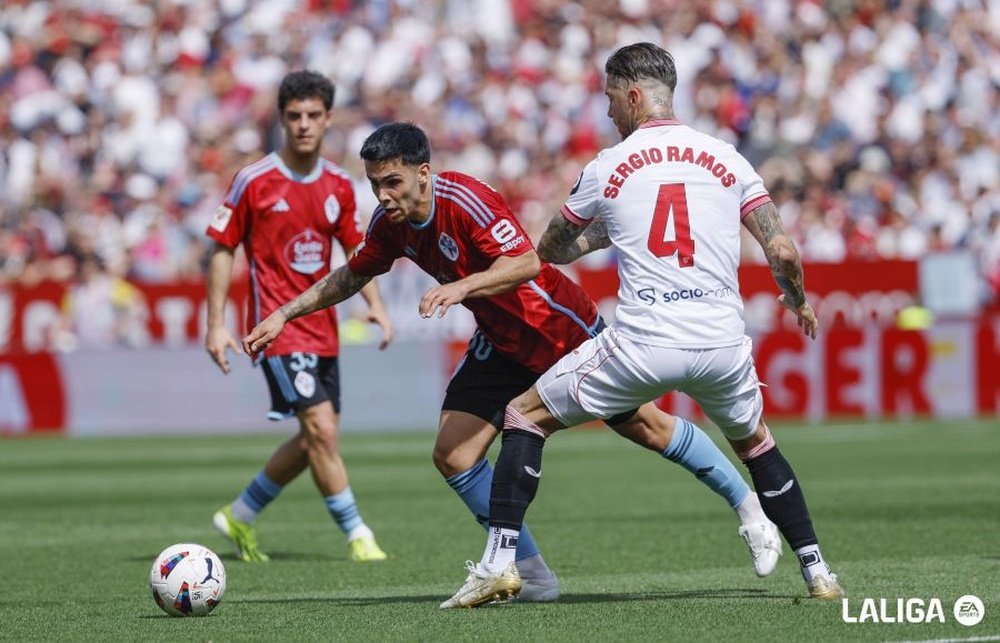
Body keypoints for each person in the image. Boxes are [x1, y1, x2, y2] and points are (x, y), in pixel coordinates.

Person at [243, 122, 783, 603]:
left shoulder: (467, 199)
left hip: (554, 327)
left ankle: (749, 508)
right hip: (500, 341)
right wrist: (284, 315)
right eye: (375, 184)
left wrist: (462, 288)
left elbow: (527, 261)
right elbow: (351, 275)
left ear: (423, 173)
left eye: (393, 182)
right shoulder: (391, 227)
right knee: (453, 454)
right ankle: (526, 572)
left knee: (645, 426)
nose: (383, 195)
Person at [443, 42, 844, 608]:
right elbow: (782, 250)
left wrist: (610, 230)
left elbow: (551, 249)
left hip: (647, 342)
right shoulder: (727, 157)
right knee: (757, 446)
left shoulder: (608, 167)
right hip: (722, 345)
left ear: (633, 95)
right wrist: (796, 299)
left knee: (523, 416)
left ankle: (500, 563)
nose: (608, 112)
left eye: (610, 98)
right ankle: (818, 571)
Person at [204, 70, 393, 564]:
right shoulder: (254, 180)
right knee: (322, 432)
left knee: (314, 436)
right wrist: (216, 323)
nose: (304, 125)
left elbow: (358, 253)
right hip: (275, 328)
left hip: (322, 329)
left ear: (328, 118)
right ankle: (358, 534)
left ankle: (240, 515)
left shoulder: (338, 184)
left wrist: (376, 307)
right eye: (294, 116)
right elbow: (222, 249)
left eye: (313, 115)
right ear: (281, 120)